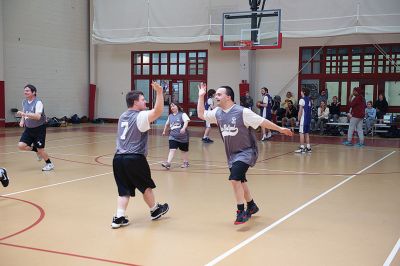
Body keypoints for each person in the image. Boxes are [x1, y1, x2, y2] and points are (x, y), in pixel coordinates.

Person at [197, 83, 293, 225]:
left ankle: (241, 211)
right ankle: (252, 205)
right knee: (241, 181)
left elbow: (262, 121)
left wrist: (280, 128)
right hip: (232, 155)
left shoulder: (242, 112)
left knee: (234, 179)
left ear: (228, 97)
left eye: (219, 94)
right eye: (216, 94)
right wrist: (201, 96)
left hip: (246, 151)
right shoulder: (217, 113)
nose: (216, 96)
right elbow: (201, 114)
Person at [111, 81, 169, 229]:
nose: (145, 102)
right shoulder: (140, 116)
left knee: (124, 190)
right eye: (143, 100)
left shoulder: (123, 116)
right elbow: (157, 112)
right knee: (146, 186)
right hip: (134, 157)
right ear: (135, 102)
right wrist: (160, 93)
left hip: (118, 158)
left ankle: (119, 217)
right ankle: (155, 209)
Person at [16, 84, 54, 171]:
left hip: (39, 128)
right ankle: (36, 150)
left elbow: (37, 117)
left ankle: (49, 164)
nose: (25, 92)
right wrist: (22, 120)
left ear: (34, 92)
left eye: (27, 91)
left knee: (41, 149)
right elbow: (24, 111)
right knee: (21, 146)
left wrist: (24, 114)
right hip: (29, 129)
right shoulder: (24, 101)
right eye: (25, 91)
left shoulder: (38, 102)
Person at [161, 102, 190, 170]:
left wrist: (183, 128)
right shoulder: (170, 116)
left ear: (177, 106)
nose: (172, 107)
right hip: (173, 136)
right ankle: (168, 163)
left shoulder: (182, 114)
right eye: (171, 106)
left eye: (173, 106)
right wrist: (164, 131)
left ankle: (186, 162)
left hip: (183, 137)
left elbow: (186, 121)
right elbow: (167, 124)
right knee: (172, 149)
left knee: (183, 151)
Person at [295, 87, 312, 153]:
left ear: (304, 92)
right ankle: (308, 147)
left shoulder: (302, 100)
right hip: (308, 119)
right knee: (307, 133)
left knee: (301, 133)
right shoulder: (309, 100)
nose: (300, 92)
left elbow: (300, 111)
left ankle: (302, 147)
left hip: (303, 119)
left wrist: (298, 120)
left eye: (301, 91)